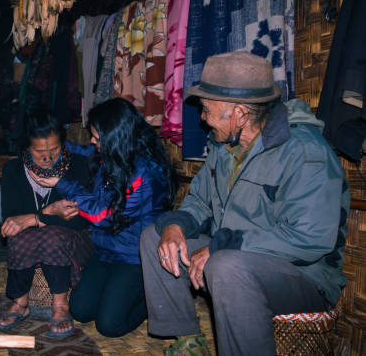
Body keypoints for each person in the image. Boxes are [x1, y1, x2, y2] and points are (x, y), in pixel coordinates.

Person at [140, 51, 349, 355]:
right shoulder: (225, 148)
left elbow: (310, 239)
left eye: (207, 109)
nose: (202, 117)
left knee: (226, 265)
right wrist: (175, 225)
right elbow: (199, 201)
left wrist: (220, 245)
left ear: (238, 113)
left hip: (303, 277)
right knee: (154, 237)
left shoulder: (305, 153)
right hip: (235, 257)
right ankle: (187, 342)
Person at [30, 98, 174, 337]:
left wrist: (61, 183)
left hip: (135, 256)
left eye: (97, 136)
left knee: (109, 325)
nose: (93, 140)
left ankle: (152, 299)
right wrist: (50, 144)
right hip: (106, 251)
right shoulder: (112, 157)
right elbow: (82, 150)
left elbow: (102, 215)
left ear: (115, 136)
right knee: (81, 310)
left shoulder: (145, 173)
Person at [0, 108, 94, 338]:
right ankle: (20, 303)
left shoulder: (78, 166)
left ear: (63, 143)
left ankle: (60, 305)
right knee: (18, 235)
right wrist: (49, 212)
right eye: (39, 152)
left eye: (55, 149)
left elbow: (78, 220)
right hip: (35, 237)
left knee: (53, 235)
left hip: (75, 238)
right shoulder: (13, 170)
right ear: (27, 147)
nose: (47, 157)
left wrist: (33, 218)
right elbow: (12, 219)